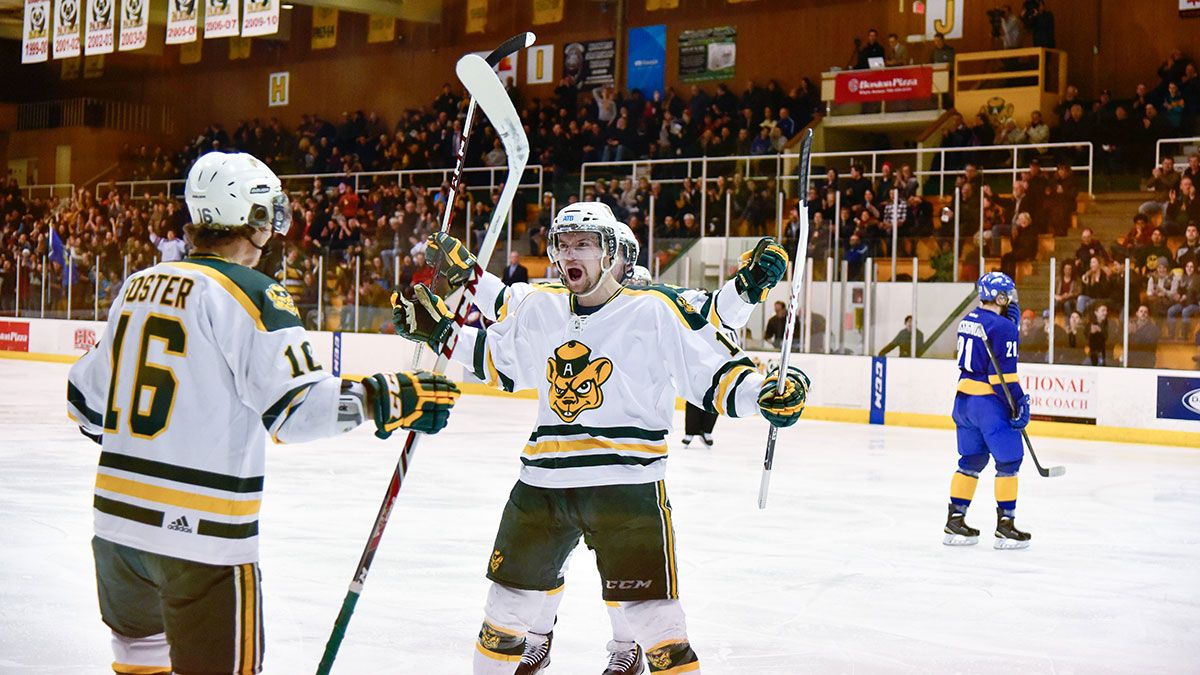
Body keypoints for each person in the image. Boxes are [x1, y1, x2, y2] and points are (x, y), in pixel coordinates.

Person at [66, 152, 461, 675]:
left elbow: (84, 403)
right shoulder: (254, 294)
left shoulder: (137, 287)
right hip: (201, 543)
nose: (275, 227)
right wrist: (386, 396)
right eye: (270, 212)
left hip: (117, 533)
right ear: (251, 219)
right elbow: (296, 411)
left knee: (142, 665)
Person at [392, 201, 809, 675]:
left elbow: (712, 368)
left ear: (611, 252)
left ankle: (624, 649)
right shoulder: (544, 305)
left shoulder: (655, 308)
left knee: (656, 622)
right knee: (504, 612)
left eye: (584, 244)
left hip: (626, 486)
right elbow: (501, 357)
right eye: (563, 245)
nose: (572, 253)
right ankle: (543, 641)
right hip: (543, 483)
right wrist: (441, 331)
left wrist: (764, 392)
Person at [944, 272, 1033, 550]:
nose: (1013, 301)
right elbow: (1002, 378)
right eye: (1009, 296)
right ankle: (1005, 526)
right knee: (1009, 462)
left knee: (971, 460)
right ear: (1001, 297)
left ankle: (955, 522)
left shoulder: (968, 320)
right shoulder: (1004, 327)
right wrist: (1019, 402)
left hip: (963, 402)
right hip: (989, 405)